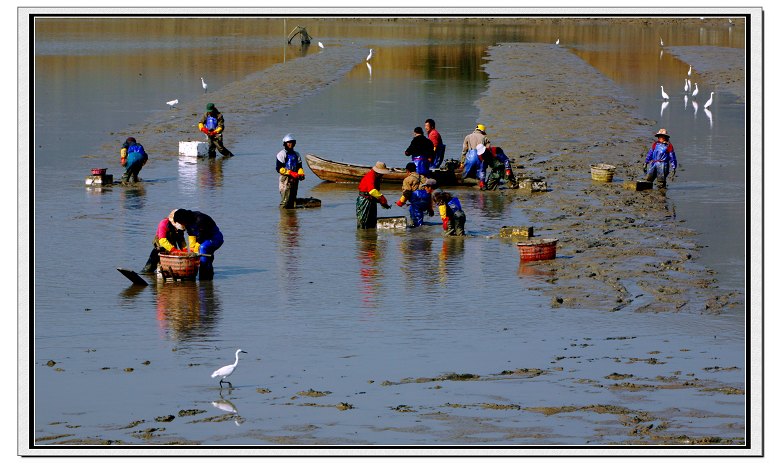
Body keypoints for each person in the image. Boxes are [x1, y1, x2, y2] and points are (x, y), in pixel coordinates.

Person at [172, 209, 224, 281]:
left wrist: (197, 247)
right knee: (204, 255)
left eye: (181, 222)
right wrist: (193, 248)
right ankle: (208, 278)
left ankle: (204, 277)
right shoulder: (187, 223)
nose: (181, 224)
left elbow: (202, 235)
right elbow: (191, 234)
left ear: (184, 219)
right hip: (203, 239)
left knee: (203, 248)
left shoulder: (200, 219)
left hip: (215, 238)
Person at [141, 210, 187, 274]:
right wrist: (173, 250)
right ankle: (148, 270)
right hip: (160, 242)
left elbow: (181, 240)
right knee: (158, 253)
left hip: (172, 242)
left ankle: (171, 270)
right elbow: (162, 240)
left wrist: (184, 250)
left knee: (173, 258)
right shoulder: (164, 223)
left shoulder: (180, 229)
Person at [356, 161, 392, 229]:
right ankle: (364, 238)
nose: (382, 175)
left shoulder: (376, 177)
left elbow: (375, 192)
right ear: (378, 172)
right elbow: (372, 191)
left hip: (371, 200)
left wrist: (382, 203)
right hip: (365, 200)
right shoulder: (371, 176)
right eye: (382, 173)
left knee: (372, 221)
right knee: (363, 222)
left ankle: (371, 238)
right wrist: (382, 199)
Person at [276, 133, 305, 208]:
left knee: (292, 200)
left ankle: (292, 218)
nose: (290, 144)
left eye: (292, 143)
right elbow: (278, 168)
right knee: (285, 201)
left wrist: (301, 174)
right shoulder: (281, 154)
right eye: (288, 143)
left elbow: (299, 167)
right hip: (285, 179)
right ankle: (283, 216)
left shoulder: (297, 154)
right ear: (285, 144)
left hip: (295, 178)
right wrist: (290, 172)